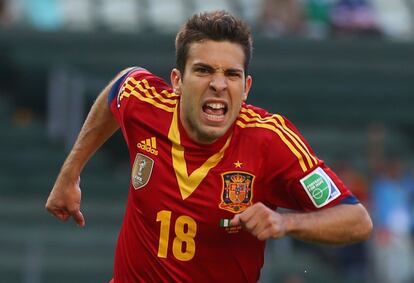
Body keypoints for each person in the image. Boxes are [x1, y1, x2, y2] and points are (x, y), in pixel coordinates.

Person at [45, 10, 373, 283]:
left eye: (231, 74)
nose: (218, 84)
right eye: (203, 70)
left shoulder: (271, 141)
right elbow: (121, 86)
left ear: (245, 88)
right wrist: (70, 173)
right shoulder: (148, 105)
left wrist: (286, 223)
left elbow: (357, 220)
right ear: (177, 80)